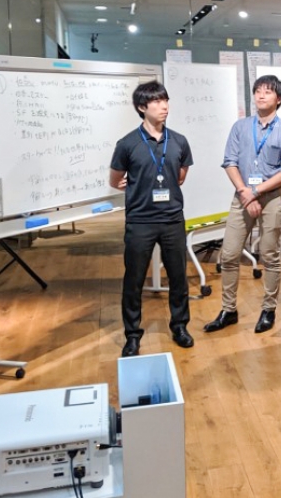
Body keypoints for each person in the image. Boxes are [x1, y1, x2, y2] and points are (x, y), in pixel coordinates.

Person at [203, 75, 281, 335]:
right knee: (229, 254)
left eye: (267, 91)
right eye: (257, 91)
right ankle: (228, 310)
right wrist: (246, 193)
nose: (260, 95)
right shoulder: (240, 127)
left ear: (278, 99)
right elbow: (229, 161)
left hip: (271, 197)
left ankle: (269, 309)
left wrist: (256, 192)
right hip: (242, 196)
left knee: (270, 255)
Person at [109, 81, 194, 357]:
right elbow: (115, 180)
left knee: (178, 277)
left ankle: (179, 326)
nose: (164, 106)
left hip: (172, 219)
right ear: (142, 107)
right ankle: (132, 335)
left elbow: (180, 176)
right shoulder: (127, 143)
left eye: (165, 100)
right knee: (133, 280)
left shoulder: (179, 140)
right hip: (140, 221)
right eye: (157, 101)